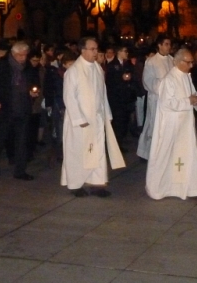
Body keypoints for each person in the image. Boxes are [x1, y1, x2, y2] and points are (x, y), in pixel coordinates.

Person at [60, 37, 125, 197]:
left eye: (96, 49)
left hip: (96, 118)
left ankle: (97, 183)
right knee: (79, 152)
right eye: (93, 49)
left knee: (97, 150)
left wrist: (106, 114)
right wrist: (79, 119)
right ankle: (76, 184)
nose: (96, 52)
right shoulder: (73, 71)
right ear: (83, 50)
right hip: (80, 121)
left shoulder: (97, 68)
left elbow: (102, 93)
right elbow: (69, 97)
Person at [146, 48, 197, 201]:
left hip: (185, 124)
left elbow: (192, 94)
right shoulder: (169, 79)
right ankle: (160, 187)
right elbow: (167, 103)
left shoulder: (186, 76)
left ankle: (193, 188)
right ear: (178, 61)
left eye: (191, 62)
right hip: (171, 125)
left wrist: (195, 99)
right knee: (167, 155)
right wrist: (188, 101)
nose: (191, 65)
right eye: (188, 62)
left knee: (189, 154)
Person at [0, 41, 40, 180]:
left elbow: (35, 82)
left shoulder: (28, 67)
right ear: (13, 54)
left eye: (25, 55)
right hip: (5, 108)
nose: (23, 58)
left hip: (22, 108)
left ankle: (20, 170)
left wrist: (33, 91)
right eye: (20, 55)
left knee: (22, 141)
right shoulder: (1, 66)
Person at [137, 35, 174, 160]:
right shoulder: (151, 62)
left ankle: (164, 152)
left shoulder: (173, 60)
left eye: (170, 44)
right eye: (166, 44)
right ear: (159, 45)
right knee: (153, 125)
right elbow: (147, 80)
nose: (169, 47)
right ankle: (146, 152)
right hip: (156, 99)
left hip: (170, 100)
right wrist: (163, 85)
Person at [105, 46, 136, 149]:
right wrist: (121, 78)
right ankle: (116, 145)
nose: (127, 53)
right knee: (118, 122)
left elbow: (133, 77)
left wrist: (129, 79)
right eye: (124, 51)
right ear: (119, 52)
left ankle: (121, 141)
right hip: (117, 99)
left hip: (127, 98)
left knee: (125, 121)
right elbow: (109, 82)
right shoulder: (112, 65)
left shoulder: (128, 64)